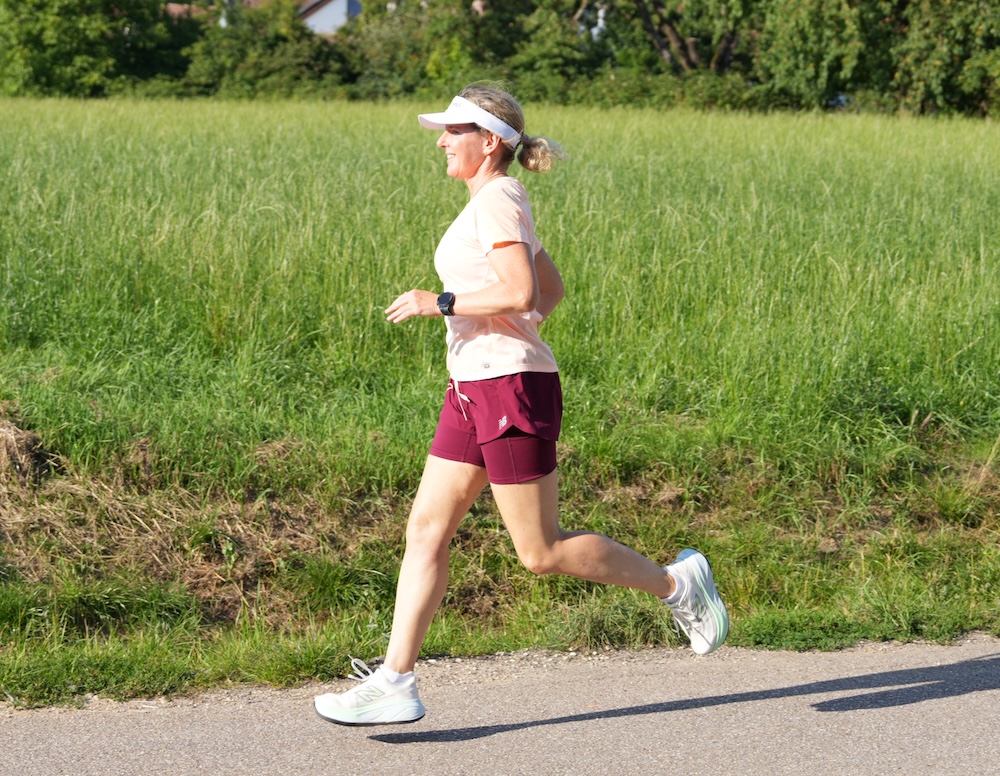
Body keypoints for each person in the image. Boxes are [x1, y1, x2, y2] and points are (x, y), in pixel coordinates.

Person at [314, 84, 728, 726]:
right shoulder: (489, 202)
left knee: (539, 552)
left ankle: (679, 585)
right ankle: (395, 681)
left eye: (454, 131)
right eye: (443, 130)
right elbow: (548, 289)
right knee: (425, 530)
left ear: (490, 142)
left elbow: (521, 288)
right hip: (476, 388)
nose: (441, 140)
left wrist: (443, 304)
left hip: (508, 388)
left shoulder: (500, 199)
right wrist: (506, 332)